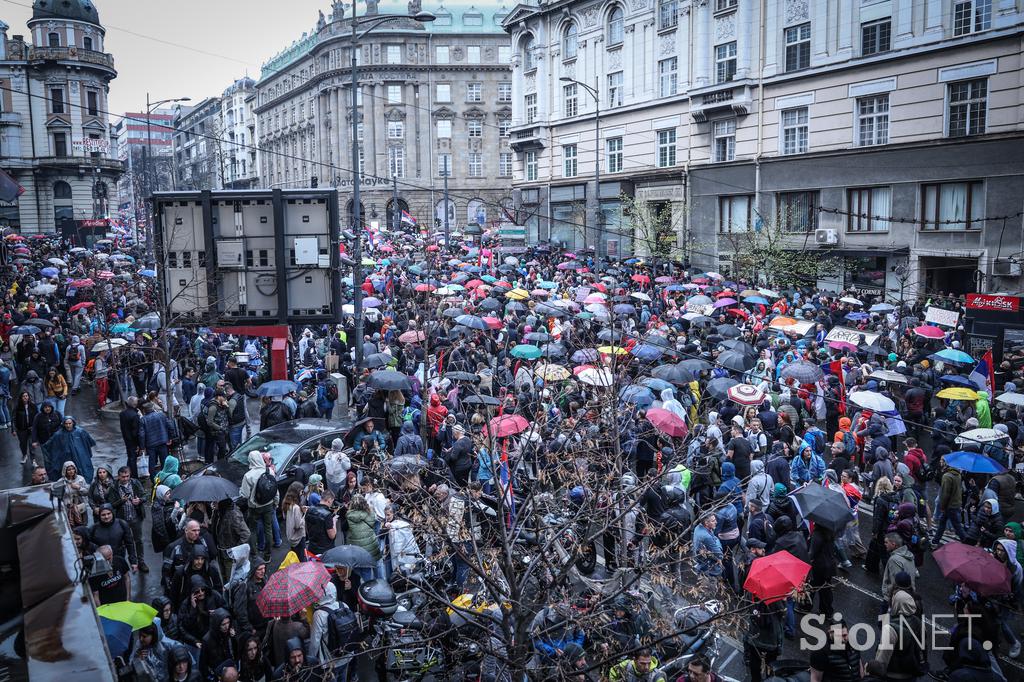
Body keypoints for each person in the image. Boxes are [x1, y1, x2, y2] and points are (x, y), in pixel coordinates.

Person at [240, 450, 280, 561]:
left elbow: (245, 494)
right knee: (268, 529)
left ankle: (254, 555)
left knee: (252, 530)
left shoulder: (248, 476)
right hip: (268, 504)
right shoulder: (269, 471)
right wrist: (276, 502)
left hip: (254, 507)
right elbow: (274, 490)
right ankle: (267, 555)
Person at [108, 465, 148, 572]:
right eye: (123, 477)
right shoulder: (113, 487)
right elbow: (111, 505)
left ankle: (141, 561)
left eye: (127, 476)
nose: (125, 479)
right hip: (122, 519)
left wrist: (139, 500)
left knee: (138, 540)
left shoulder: (135, 483)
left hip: (135, 517)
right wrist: (121, 501)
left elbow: (145, 496)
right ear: (118, 477)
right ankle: (124, 564)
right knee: (123, 542)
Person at [42, 415, 96, 483]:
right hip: (66, 458)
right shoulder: (58, 435)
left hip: (80, 458)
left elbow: (88, 443)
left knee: (83, 471)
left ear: (73, 423)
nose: (68, 425)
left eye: (69, 423)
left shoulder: (80, 432)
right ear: (63, 424)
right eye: (66, 424)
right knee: (68, 473)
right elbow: (49, 446)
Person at [89, 502, 138, 571]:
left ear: (112, 513)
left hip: (119, 559)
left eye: (108, 514)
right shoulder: (94, 529)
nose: (106, 517)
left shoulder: (122, 524)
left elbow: (130, 544)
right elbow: (88, 545)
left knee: (124, 579)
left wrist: (133, 562)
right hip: (102, 563)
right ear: (99, 516)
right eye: (103, 515)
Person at [305, 489, 338, 557]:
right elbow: (332, 536)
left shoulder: (309, 510)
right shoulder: (327, 515)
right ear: (329, 500)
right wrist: (334, 522)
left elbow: (307, 529)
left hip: (311, 549)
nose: (331, 504)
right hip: (325, 551)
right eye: (332, 501)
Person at [281, 481, 308, 561]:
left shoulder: (286, 503)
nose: (302, 493)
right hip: (298, 538)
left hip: (291, 537)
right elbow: (298, 525)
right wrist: (304, 514)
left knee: (294, 557)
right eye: (301, 491)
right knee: (301, 559)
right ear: (297, 491)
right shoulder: (295, 507)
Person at [119, 397, 143, 479]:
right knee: (133, 459)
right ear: (135, 404)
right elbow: (135, 432)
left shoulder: (122, 413)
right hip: (133, 441)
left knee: (130, 458)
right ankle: (134, 477)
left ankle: (127, 472)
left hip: (127, 439)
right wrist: (138, 445)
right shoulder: (135, 416)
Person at [13, 391, 38, 464]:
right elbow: (14, 418)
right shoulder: (17, 407)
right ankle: (24, 455)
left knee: (31, 444)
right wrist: (13, 429)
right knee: (23, 444)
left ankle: (33, 459)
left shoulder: (33, 405)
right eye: (23, 396)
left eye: (26, 396)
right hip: (21, 429)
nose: (25, 397)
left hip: (31, 428)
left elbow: (37, 417)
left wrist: (36, 427)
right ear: (21, 398)